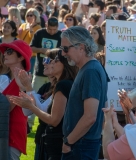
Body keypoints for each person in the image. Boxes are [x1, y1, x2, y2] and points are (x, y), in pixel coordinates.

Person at [10, 49, 78, 160]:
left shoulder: (64, 85)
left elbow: (51, 117)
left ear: (65, 64)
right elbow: (27, 111)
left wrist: (28, 88)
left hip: (58, 140)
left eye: (53, 60)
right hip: (46, 138)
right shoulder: (47, 87)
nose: (46, 63)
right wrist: (24, 88)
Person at [61, 26, 108, 159]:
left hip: (81, 145)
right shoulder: (89, 68)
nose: (63, 53)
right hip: (82, 143)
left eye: (66, 48)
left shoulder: (90, 71)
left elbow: (90, 117)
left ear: (81, 47)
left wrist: (68, 142)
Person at [0, 40, 32, 159]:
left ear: (20, 57)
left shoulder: (20, 79)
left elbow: (5, 107)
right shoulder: (14, 79)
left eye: (9, 51)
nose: (5, 54)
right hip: (7, 132)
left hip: (12, 134)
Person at [29, 17, 61, 130]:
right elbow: (31, 48)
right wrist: (42, 50)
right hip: (40, 72)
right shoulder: (40, 33)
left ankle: (49, 121)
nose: (52, 32)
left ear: (57, 27)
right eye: (50, 29)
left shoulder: (60, 35)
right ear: (46, 25)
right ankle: (30, 124)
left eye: (54, 29)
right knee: (33, 96)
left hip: (54, 73)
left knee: (51, 100)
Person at [17, 8, 41, 74]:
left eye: (31, 15)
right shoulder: (23, 25)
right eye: (28, 15)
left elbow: (33, 39)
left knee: (29, 74)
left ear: (36, 16)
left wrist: (31, 29)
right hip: (21, 53)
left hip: (31, 55)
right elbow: (18, 38)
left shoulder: (38, 27)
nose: (29, 17)